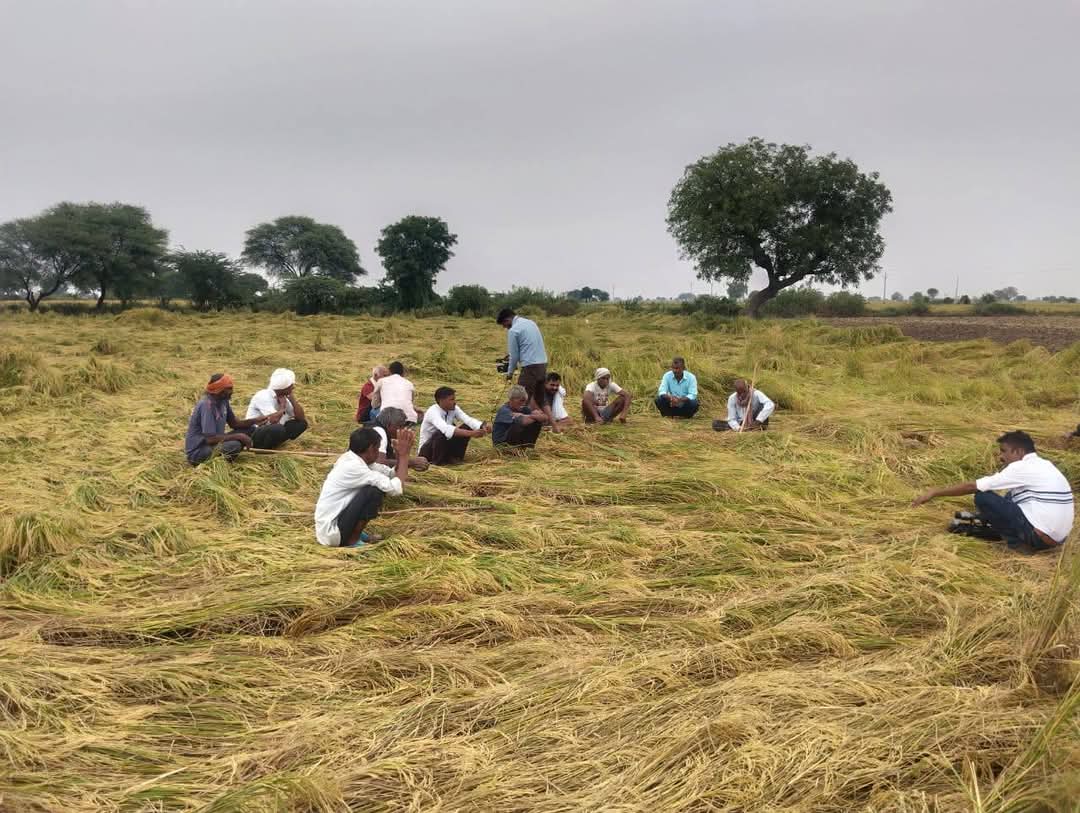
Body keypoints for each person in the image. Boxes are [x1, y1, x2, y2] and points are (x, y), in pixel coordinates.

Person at [912, 430, 1074, 552]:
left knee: (983, 497)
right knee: (1010, 496)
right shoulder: (1044, 464)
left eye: (1004, 451)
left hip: (1039, 537)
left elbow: (973, 486)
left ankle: (1017, 544)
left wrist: (935, 492)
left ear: (1018, 452)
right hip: (1055, 539)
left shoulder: (1021, 467)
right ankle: (978, 522)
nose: (1001, 457)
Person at [314, 427, 413, 548]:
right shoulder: (353, 467)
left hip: (331, 527)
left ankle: (352, 533)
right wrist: (404, 455)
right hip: (332, 533)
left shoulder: (354, 459)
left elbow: (391, 475)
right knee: (374, 491)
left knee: (373, 487)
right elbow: (396, 489)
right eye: (377, 448)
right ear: (371, 449)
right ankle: (352, 540)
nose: (378, 453)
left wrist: (399, 456)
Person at [184, 373, 267, 465]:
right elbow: (210, 439)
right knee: (234, 446)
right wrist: (239, 436)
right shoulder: (206, 405)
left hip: (214, 444)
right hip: (199, 451)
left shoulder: (223, 401)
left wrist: (255, 420)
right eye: (229, 389)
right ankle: (222, 461)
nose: (232, 391)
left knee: (250, 429)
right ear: (219, 390)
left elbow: (234, 424)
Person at [418, 386, 491, 465]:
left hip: (444, 446)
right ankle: (437, 463)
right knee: (441, 433)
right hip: (427, 453)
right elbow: (446, 429)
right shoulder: (433, 412)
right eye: (451, 399)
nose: (455, 402)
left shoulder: (453, 408)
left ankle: (455, 458)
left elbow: (468, 420)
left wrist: (482, 426)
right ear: (441, 401)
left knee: (467, 427)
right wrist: (472, 433)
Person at [242, 368, 309, 449]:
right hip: (254, 433)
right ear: (284, 387)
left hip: (273, 430)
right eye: (291, 385)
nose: (293, 387)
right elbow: (274, 421)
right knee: (277, 428)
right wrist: (282, 407)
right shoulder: (263, 396)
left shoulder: (283, 396)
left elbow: (300, 417)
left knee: (301, 424)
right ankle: (262, 448)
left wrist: (293, 400)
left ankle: (274, 443)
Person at [496, 308, 547, 406]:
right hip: (543, 364)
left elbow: (514, 356)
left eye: (504, 324)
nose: (505, 327)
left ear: (507, 320)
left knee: (519, 399)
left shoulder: (513, 330)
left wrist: (510, 373)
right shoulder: (531, 323)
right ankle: (543, 416)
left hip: (530, 367)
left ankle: (522, 416)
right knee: (539, 399)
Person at [492, 384, 548, 449]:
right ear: (512, 399)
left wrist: (525, 415)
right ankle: (512, 449)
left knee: (536, 422)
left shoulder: (523, 409)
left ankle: (527, 447)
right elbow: (524, 421)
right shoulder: (504, 411)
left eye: (525, 401)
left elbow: (545, 417)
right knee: (518, 423)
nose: (523, 404)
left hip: (514, 441)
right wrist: (534, 416)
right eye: (521, 401)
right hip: (501, 444)